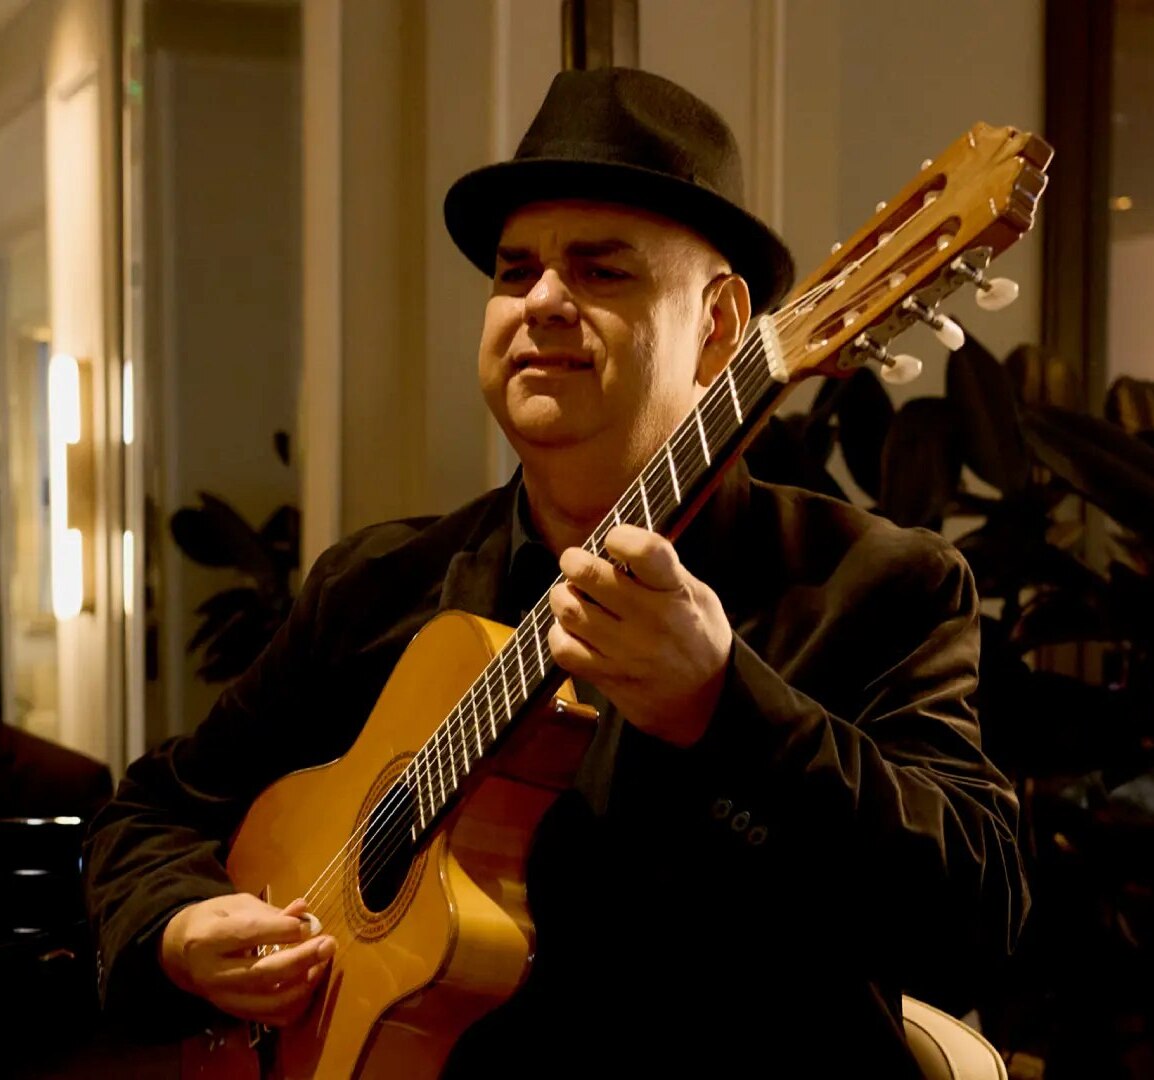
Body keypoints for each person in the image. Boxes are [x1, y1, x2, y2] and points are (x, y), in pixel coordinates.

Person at [84, 67, 1027, 1076]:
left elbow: (976, 919)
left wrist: (726, 712)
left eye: (600, 269)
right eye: (512, 269)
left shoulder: (876, 585)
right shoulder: (376, 584)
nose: (540, 301)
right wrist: (181, 925)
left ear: (716, 325)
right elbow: (152, 810)